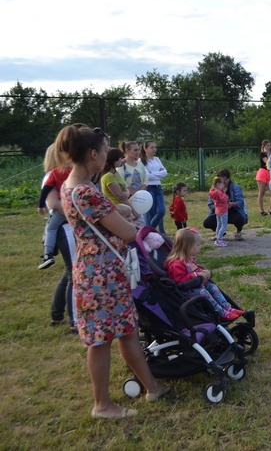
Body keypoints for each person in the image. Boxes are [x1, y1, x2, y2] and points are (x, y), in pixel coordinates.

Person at [57, 123, 170, 419]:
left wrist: (120, 213)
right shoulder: (85, 191)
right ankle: (102, 405)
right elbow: (129, 233)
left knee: (127, 330)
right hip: (100, 274)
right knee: (101, 338)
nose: (108, 155)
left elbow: (103, 218)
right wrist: (131, 223)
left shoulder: (73, 186)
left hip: (103, 269)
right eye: (105, 150)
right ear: (93, 154)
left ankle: (152, 387)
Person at [164, 228, 244, 321]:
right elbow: (179, 281)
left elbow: (195, 269)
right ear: (187, 247)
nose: (199, 247)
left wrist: (203, 271)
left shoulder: (188, 259)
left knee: (212, 287)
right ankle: (219, 313)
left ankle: (226, 308)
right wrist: (195, 275)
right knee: (203, 292)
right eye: (197, 245)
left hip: (195, 287)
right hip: (185, 291)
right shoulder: (176, 264)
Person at [37, 144, 72, 270]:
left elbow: (53, 204)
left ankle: (48, 252)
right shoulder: (71, 172)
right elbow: (54, 204)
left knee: (50, 228)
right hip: (70, 212)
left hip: (63, 213)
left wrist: (40, 205)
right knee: (71, 273)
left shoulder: (54, 174)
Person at [202, 169, 248, 241]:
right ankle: (219, 233)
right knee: (207, 222)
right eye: (221, 180)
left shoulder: (235, 187)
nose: (224, 182)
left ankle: (238, 232)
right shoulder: (214, 190)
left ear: (229, 179)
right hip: (219, 211)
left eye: (225, 179)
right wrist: (216, 207)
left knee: (240, 219)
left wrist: (232, 204)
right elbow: (210, 204)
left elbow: (241, 202)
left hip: (233, 211)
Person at [142, 141, 168, 233]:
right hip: (149, 188)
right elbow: (147, 176)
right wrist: (158, 174)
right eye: (151, 147)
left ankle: (148, 231)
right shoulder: (142, 160)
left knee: (161, 211)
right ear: (145, 149)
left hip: (158, 188)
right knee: (151, 213)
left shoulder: (157, 159)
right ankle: (150, 232)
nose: (154, 149)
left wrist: (153, 173)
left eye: (155, 147)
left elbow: (165, 173)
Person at [256, 139, 271, 217]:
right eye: (267, 146)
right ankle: (262, 210)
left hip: (269, 173)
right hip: (263, 172)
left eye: (270, 145)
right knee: (262, 192)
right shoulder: (262, 154)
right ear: (264, 146)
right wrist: (267, 154)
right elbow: (268, 163)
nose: (269, 147)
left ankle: (270, 209)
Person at [208, 177, 229, 247]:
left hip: (217, 210)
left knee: (219, 225)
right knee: (223, 225)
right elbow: (224, 199)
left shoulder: (213, 191)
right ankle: (219, 239)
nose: (224, 185)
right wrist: (224, 192)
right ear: (218, 184)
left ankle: (218, 237)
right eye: (222, 184)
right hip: (223, 210)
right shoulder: (219, 192)